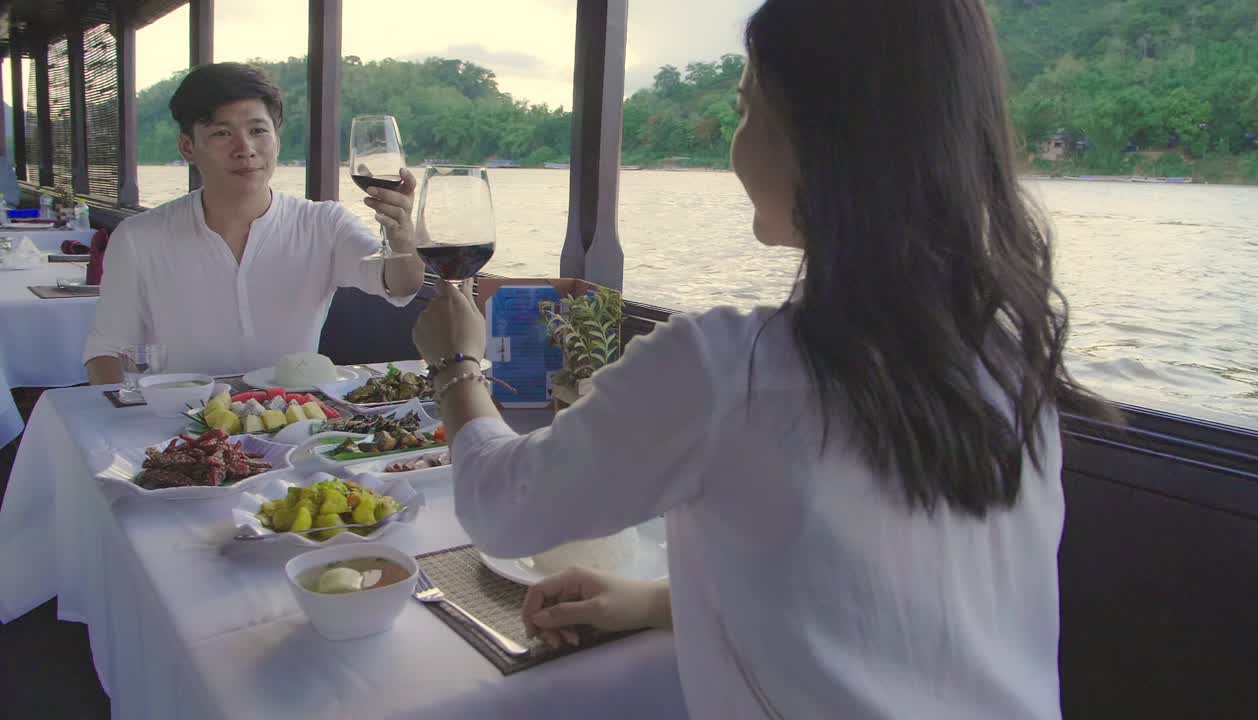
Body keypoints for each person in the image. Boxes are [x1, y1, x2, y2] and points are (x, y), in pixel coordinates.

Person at [412, 1, 1109, 717]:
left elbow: (503, 509)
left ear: (822, 138)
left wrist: (456, 364)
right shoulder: (1012, 362)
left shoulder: (724, 369)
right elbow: (884, 602)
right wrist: (654, 603)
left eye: (747, 111)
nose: (735, 146)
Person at [83, 63, 425, 383]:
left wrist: (402, 238)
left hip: (295, 424)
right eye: (221, 133)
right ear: (188, 147)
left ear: (276, 138)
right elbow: (106, 352)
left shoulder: (323, 224)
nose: (244, 148)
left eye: (258, 130)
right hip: (178, 429)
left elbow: (399, 284)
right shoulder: (139, 238)